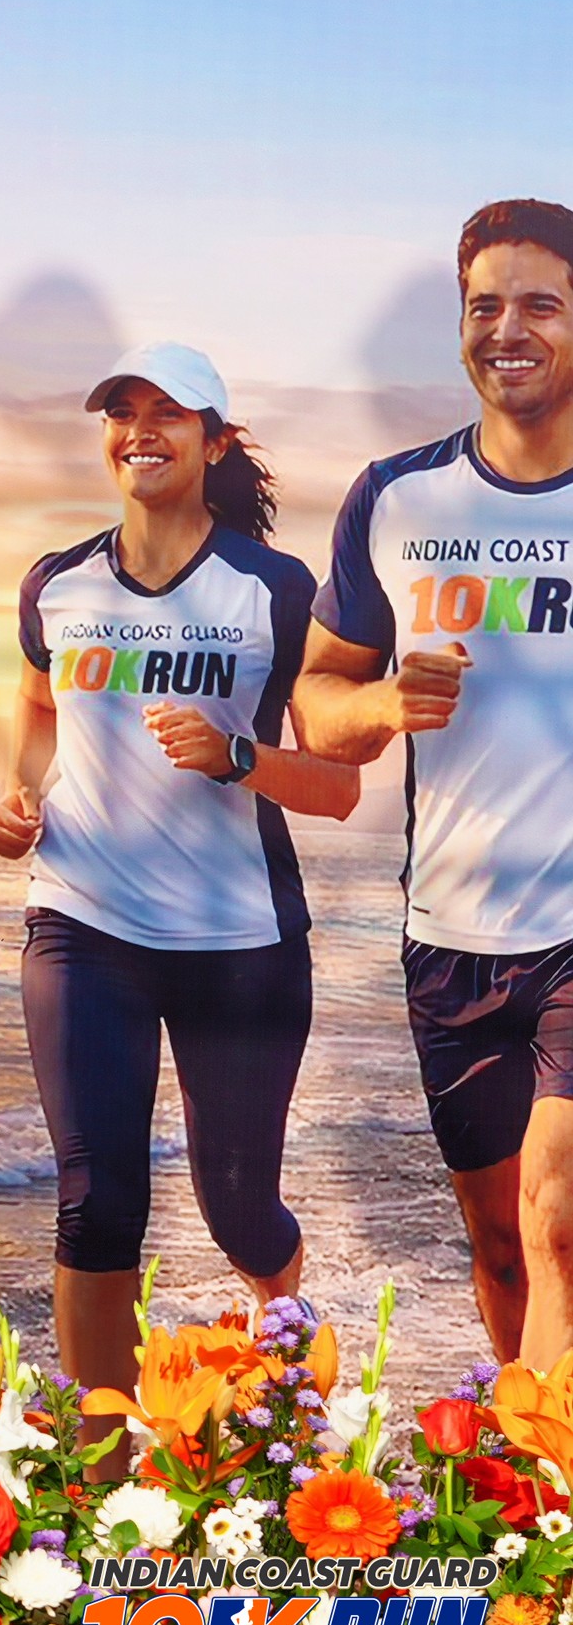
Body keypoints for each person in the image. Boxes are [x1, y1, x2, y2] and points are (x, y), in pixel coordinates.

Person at [0, 342, 356, 1459]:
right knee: (96, 1202)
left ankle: (279, 1313)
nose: (139, 431)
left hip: (240, 941)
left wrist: (238, 755)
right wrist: (21, 796)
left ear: (215, 440)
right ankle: (102, 1476)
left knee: (236, 1204)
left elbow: (337, 785)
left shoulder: (276, 590)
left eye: (168, 414)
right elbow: (39, 711)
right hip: (80, 921)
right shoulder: (57, 584)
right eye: (122, 412)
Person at [299, 198, 573, 1364]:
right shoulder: (395, 498)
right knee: (501, 1244)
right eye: (484, 305)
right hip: (450, 935)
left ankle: (554, 1475)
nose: (509, 329)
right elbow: (319, 706)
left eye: (541, 304)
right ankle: (522, 1450)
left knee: (556, 1219)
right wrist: (382, 702)